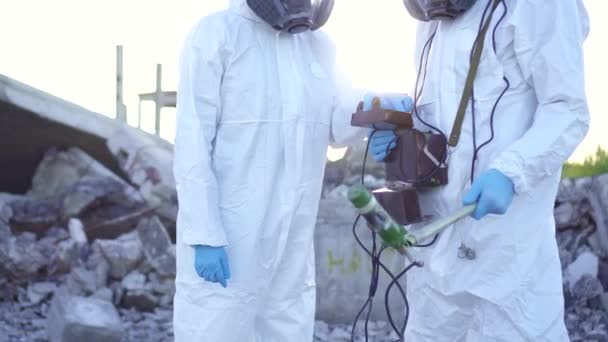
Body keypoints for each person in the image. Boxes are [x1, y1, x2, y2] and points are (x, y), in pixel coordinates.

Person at [369, 0, 590, 340]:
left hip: (506, 265)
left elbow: (566, 110)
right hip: (435, 257)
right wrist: (400, 131)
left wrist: (511, 171)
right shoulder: (431, 17)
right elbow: (443, 120)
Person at [171, 0, 372, 340]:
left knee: (287, 328)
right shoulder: (216, 35)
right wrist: (204, 234)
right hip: (230, 240)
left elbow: (340, 121)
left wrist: (379, 114)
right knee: (216, 327)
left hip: (291, 245)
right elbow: (192, 143)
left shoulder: (317, 45)